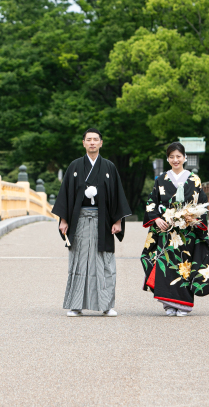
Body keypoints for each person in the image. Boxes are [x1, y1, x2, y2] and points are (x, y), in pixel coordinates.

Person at [52, 128, 132, 317]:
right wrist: (63, 219)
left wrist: (118, 221)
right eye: (89, 140)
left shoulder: (109, 167)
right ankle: (75, 304)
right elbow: (65, 194)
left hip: (103, 221)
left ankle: (106, 305)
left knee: (104, 261)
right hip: (79, 220)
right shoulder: (74, 166)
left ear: (101, 143)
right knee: (79, 260)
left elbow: (117, 195)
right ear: (84, 143)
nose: (92, 143)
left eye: (96, 139)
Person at [141, 141, 209, 316]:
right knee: (166, 265)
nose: (175, 160)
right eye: (171, 157)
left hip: (188, 231)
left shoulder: (194, 179)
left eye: (178, 156)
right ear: (168, 159)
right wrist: (156, 219)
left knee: (185, 266)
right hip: (167, 229)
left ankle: (184, 304)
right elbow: (152, 202)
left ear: (185, 158)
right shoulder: (161, 179)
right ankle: (168, 304)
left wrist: (193, 217)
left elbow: (202, 204)